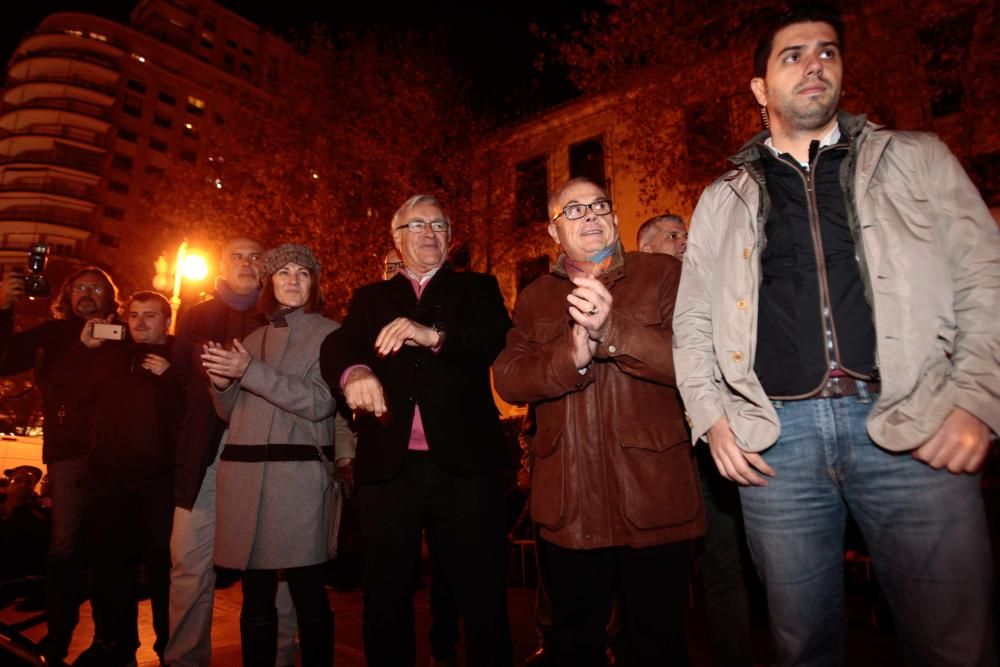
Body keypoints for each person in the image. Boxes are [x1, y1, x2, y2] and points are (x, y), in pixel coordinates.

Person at [673, 6, 999, 665]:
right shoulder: (722, 198)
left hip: (915, 425)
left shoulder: (918, 159)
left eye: (827, 52)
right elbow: (693, 322)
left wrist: (978, 393)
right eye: (792, 55)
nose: (814, 64)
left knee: (954, 642)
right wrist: (711, 419)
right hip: (778, 444)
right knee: (802, 647)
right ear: (761, 89)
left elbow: (983, 275)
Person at [493, 178, 704, 666]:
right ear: (553, 230)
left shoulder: (662, 275)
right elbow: (509, 379)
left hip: (652, 495)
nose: (590, 215)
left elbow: (696, 363)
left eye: (599, 204)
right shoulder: (535, 298)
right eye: (574, 210)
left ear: (613, 216)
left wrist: (612, 330)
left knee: (657, 643)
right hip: (570, 502)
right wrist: (570, 356)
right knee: (571, 644)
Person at [320, 194, 513, 666]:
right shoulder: (371, 298)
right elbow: (339, 345)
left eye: (440, 224)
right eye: (418, 225)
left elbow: (497, 341)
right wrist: (356, 374)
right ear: (397, 238)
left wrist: (433, 336)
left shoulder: (478, 288)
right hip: (390, 469)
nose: (430, 232)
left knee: (481, 593)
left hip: (467, 468)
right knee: (385, 595)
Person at [202, 243, 353, 667]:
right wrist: (220, 383)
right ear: (269, 282)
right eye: (283, 272)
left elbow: (320, 403)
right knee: (255, 601)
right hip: (246, 481)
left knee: (309, 594)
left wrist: (248, 371)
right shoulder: (251, 338)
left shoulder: (331, 334)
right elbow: (231, 413)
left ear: (314, 284)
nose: (291, 280)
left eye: (302, 273)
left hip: (298, 482)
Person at [165, 237, 300, 667]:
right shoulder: (197, 316)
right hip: (203, 458)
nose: (246, 262)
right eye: (236, 256)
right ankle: (184, 659)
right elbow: (177, 388)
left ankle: (280, 657)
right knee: (188, 565)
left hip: (266, 457)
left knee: (279, 570)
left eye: (254, 256)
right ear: (221, 268)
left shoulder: (286, 317)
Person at [637, 214, 752, 666]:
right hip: (659, 456)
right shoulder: (632, 300)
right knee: (652, 571)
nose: (685, 240)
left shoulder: (715, 291)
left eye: (686, 233)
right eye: (672, 235)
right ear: (645, 249)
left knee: (723, 564)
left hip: (711, 447)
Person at [0, 265, 120, 664]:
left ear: (110, 298)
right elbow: (2, 360)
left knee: (110, 549)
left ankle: (109, 642)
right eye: (80, 287)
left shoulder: (124, 335)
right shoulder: (52, 335)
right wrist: (3, 308)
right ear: (67, 296)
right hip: (68, 454)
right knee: (64, 545)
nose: (88, 293)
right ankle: (58, 639)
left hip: (119, 456)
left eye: (97, 288)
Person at [76, 291, 183, 666]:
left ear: (167, 321)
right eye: (134, 315)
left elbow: (199, 411)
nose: (139, 322)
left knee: (163, 571)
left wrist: (171, 377)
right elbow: (77, 396)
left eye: (150, 315)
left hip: (159, 484)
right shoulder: (110, 353)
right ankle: (114, 646)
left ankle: (171, 648)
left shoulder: (181, 357)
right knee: (110, 570)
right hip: (110, 482)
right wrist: (88, 350)